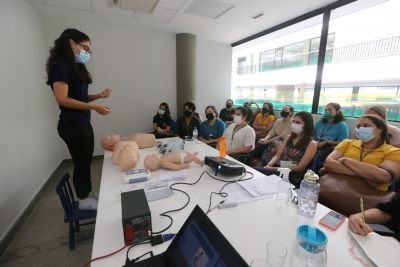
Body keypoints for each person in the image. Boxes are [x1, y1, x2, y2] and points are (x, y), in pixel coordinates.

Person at [46, 29, 112, 210]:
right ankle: (83, 200)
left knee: (86, 160)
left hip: (82, 121)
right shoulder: (60, 65)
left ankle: (88, 192)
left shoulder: (76, 67)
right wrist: (95, 108)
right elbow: (63, 99)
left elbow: (80, 97)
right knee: (81, 161)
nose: (87, 53)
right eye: (85, 48)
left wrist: (99, 96)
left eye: (89, 50)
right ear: (71, 43)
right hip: (71, 124)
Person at [323, 114, 400, 191]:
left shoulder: (394, 152)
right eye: (358, 126)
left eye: (366, 125)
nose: (361, 129)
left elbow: (383, 176)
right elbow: (328, 163)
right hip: (335, 188)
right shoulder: (347, 143)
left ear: (380, 129)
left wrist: (345, 160)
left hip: (368, 196)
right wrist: (368, 175)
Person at [254, 111, 317, 187]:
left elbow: (299, 168)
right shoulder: (288, 138)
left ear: (306, 125)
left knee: (257, 171)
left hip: (293, 176)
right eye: (293, 122)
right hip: (281, 169)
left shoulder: (311, 143)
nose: (294, 124)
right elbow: (277, 156)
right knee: (257, 173)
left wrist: (274, 169)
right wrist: (269, 165)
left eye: (298, 122)